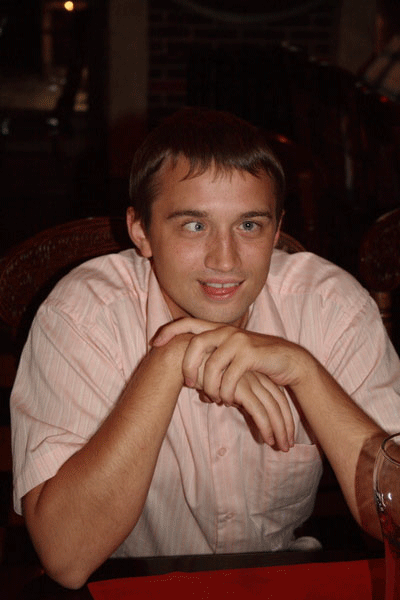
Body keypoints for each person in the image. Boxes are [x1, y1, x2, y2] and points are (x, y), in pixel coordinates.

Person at [10, 107, 400, 589]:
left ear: (277, 231)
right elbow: (67, 558)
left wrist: (305, 371)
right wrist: (169, 361)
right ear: (141, 231)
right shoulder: (83, 314)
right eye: (194, 226)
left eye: (249, 226)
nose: (225, 259)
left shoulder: (331, 305)